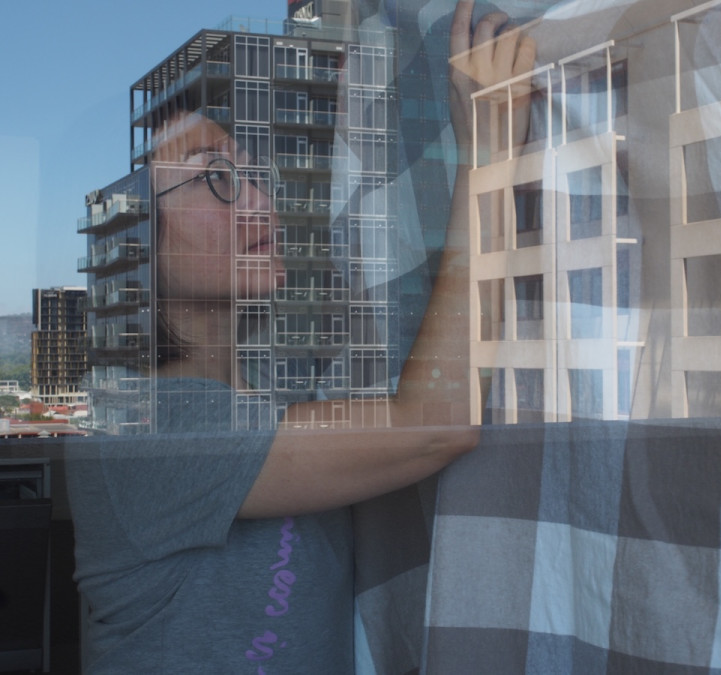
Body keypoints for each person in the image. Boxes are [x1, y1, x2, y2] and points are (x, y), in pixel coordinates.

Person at [66, 1, 536, 671]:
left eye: (252, 174)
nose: (259, 197)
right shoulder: (141, 432)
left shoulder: (268, 399)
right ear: (139, 242)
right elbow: (438, 421)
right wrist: (487, 159)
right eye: (215, 178)